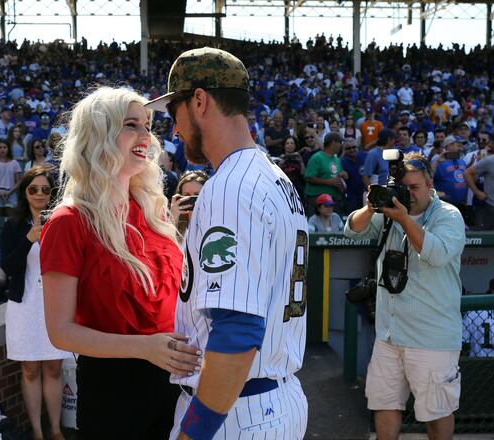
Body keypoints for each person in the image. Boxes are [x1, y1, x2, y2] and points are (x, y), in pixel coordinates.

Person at [146, 47, 309, 440]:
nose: (174, 130)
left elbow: (238, 329)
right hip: (269, 399)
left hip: (233, 412)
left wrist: (193, 434)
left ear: (199, 100)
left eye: (175, 113)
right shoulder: (270, 175)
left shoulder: (230, 187)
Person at [40, 87, 200, 438]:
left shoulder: (152, 210)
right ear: (99, 134)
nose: (146, 136)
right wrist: (146, 347)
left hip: (175, 382)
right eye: (132, 125)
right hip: (114, 392)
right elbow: (60, 332)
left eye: (147, 126)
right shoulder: (68, 222)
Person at [343, 151, 465, 440]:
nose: (409, 194)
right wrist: (372, 206)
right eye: (404, 187)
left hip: (431, 337)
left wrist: (404, 219)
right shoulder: (388, 212)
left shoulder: (448, 215)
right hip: (389, 334)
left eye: (415, 188)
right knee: (384, 405)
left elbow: (436, 254)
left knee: (436, 412)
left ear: (430, 184)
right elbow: (352, 231)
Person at [2, 166, 69, 440]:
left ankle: (55, 429)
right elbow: (8, 267)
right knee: (30, 369)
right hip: (24, 304)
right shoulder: (13, 225)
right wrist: (29, 240)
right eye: (33, 189)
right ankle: (37, 432)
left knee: (53, 367)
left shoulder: (63, 221)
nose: (40, 194)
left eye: (45, 189)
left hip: (54, 304)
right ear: (24, 192)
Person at [304, 131, 347, 216]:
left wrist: (343, 175)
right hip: (317, 200)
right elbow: (308, 177)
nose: (341, 145)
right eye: (340, 142)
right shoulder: (317, 158)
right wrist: (329, 182)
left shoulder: (336, 160)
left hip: (333, 200)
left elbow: (336, 174)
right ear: (333, 142)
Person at [169, 170, 208, 240]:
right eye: (187, 195)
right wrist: (173, 218)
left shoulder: (214, 219)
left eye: (197, 195)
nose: (192, 199)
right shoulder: (175, 221)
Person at [0, 141, 22, 217]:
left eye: (4, 147)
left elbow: (18, 181)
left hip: (11, 194)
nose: (2, 149)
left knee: (11, 219)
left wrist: (9, 192)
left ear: (8, 149)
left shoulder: (14, 163)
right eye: (0, 147)